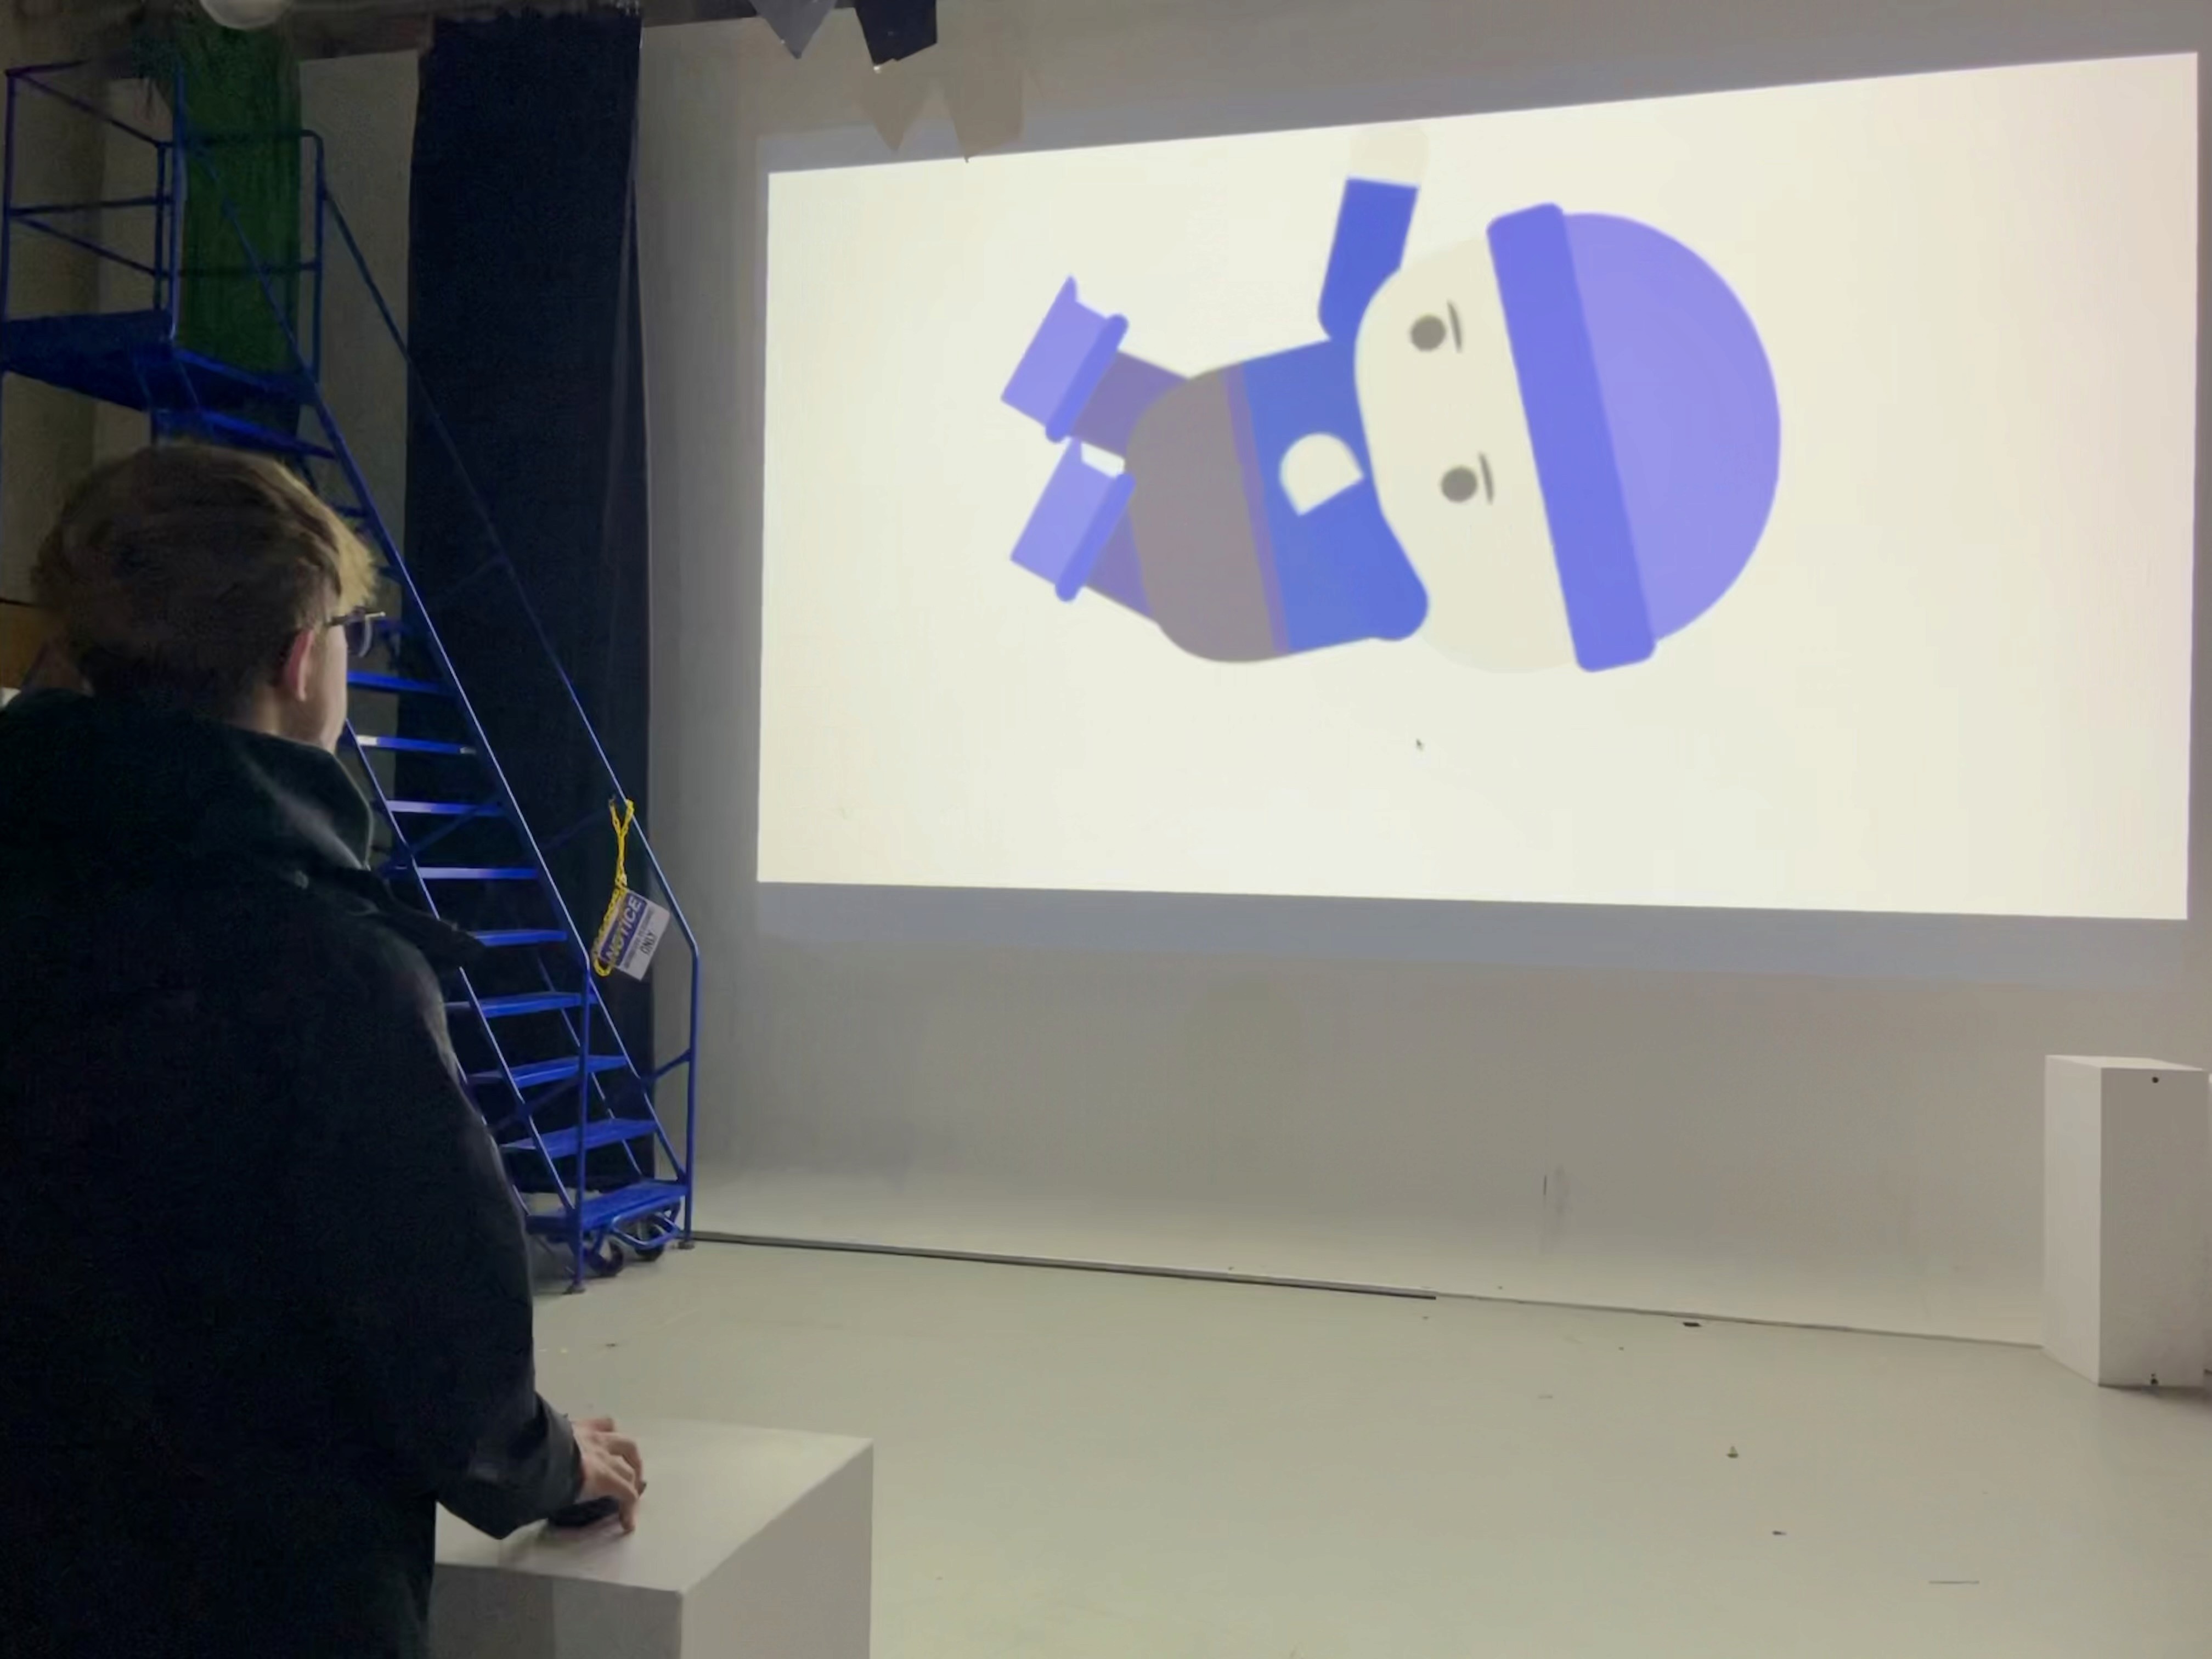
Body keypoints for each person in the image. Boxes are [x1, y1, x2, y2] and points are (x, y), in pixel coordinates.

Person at [0, 444, 643, 1658]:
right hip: (256, 1591)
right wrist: (554, 1465)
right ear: (302, 661)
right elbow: (440, 1338)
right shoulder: (328, 968)